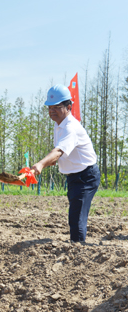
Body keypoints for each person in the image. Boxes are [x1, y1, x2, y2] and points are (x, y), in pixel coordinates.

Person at [30, 85, 100, 243]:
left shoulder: (70, 127)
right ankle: (77, 246)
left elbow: (58, 152)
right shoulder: (58, 124)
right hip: (75, 177)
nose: (52, 111)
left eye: (57, 107)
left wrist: (40, 164)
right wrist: (50, 162)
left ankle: (78, 251)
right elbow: (58, 155)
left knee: (76, 219)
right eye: (49, 107)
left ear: (69, 107)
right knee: (74, 216)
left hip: (85, 177)